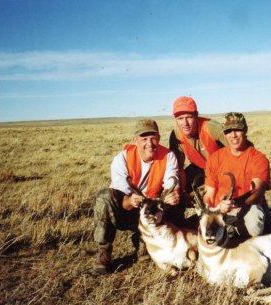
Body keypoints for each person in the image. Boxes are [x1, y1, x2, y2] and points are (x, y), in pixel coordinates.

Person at [93, 119, 180, 274]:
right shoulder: (122, 158)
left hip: (154, 210)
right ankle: (104, 250)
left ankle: (142, 240)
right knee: (104, 197)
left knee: (177, 206)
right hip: (127, 211)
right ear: (135, 140)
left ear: (159, 138)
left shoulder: (168, 156)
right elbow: (122, 195)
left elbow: (172, 179)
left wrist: (171, 195)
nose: (150, 143)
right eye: (144, 138)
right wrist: (130, 200)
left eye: (153, 138)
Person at [203, 112, 271, 244]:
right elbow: (208, 195)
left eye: (237, 130)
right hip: (219, 209)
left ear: (245, 130)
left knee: (254, 224)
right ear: (224, 134)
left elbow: (256, 193)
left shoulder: (258, 158)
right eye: (228, 131)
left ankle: (246, 242)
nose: (233, 135)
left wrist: (233, 204)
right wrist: (213, 208)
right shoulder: (215, 158)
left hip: (246, 207)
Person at [169, 96, 226, 195]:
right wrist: (182, 191)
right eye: (180, 118)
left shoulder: (212, 128)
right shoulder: (176, 135)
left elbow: (239, 151)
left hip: (223, 168)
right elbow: (178, 168)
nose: (185, 123)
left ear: (196, 116)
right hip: (200, 168)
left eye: (189, 117)